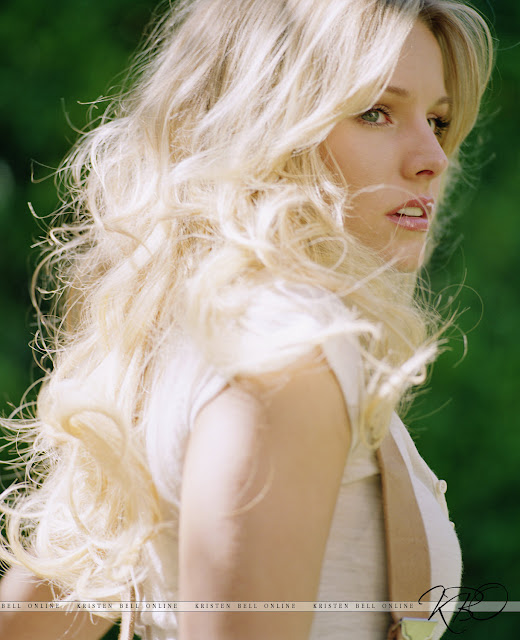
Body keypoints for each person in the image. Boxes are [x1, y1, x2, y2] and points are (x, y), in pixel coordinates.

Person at [0, 0, 493, 639]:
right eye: (375, 112)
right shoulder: (288, 352)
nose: (433, 157)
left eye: (437, 120)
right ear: (265, 123)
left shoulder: (201, 337)